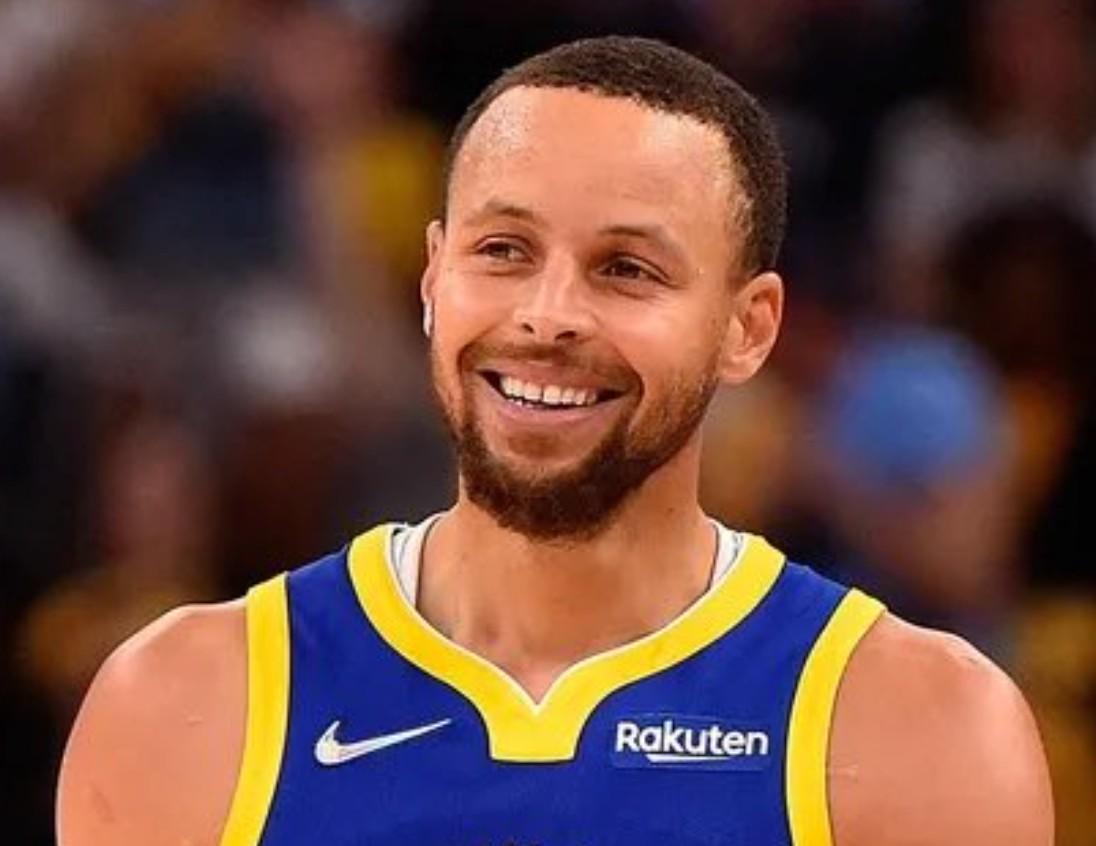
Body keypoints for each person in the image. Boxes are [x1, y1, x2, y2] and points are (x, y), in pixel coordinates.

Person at [57, 37, 1053, 846]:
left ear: (748, 328)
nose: (547, 315)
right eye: (503, 251)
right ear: (432, 277)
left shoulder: (915, 728)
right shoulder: (188, 705)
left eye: (626, 269)